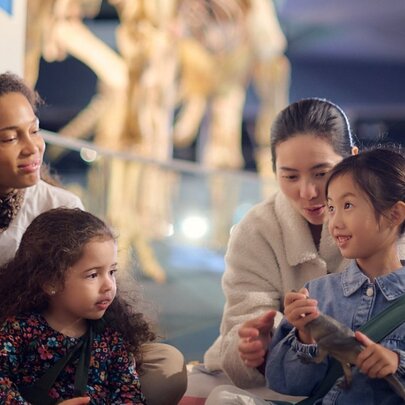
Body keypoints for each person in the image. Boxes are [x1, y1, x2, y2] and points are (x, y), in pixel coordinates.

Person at [0, 72, 187, 405]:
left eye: (34, 130)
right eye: (9, 138)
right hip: (10, 354)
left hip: (59, 350)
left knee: (165, 366)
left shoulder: (61, 205)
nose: (32, 147)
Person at [206, 146, 405, 404]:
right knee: (222, 399)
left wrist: (397, 362)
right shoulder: (316, 293)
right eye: (331, 207)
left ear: (395, 214)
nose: (334, 222)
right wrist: (305, 336)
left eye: (348, 205)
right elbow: (285, 383)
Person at [203, 98, 360, 389]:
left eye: (321, 173)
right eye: (289, 176)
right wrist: (254, 347)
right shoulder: (256, 230)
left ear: (352, 158)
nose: (307, 192)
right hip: (278, 381)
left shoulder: (389, 219)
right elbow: (242, 323)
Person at [0, 207, 155, 403]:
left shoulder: (111, 333)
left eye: (112, 272)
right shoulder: (20, 329)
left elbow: (128, 392)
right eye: (93, 275)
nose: (109, 285)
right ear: (50, 281)